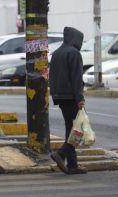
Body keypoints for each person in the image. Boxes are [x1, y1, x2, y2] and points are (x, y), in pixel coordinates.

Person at [49, 26, 87, 175]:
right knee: (78, 131)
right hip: (71, 97)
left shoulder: (57, 53)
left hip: (60, 96)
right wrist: (80, 99)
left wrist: (55, 95)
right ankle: (61, 154)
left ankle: (72, 165)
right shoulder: (74, 53)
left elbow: (53, 76)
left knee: (70, 130)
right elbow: (77, 78)